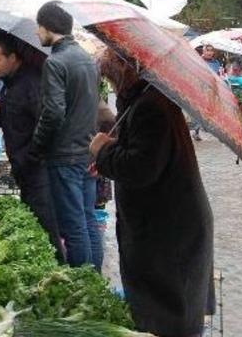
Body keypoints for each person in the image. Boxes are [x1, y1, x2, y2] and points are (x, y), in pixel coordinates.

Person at [89, 47, 214, 337]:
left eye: (111, 78)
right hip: (162, 225)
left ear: (126, 69)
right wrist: (110, 153)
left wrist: (103, 151)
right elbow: (141, 153)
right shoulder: (142, 99)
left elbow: (140, 168)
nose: (111, 85)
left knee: (168, 317)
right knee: (159, 309)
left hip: (170, 231)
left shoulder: (151, 106)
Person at [30, 1, 101, 270]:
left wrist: (37, 146)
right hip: (86, 152)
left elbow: (54, 112)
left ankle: (83, 284)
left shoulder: (55, 62)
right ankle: (95, 281)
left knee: (73, 226)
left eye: (38, 27)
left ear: (48, 27)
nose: (37, 32)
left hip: (65, 155)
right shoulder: (87, 59)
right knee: (88, 219)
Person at [0, 35, 64, 262]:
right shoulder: (9, 85)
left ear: (13, 58)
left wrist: (31, 157)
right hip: (23, 167)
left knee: (46, 231)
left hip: (38, 169)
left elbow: (46, 124)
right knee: (35, 226)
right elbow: (16, 122)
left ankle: (59, 270)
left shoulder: (32, 84)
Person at [193, 44, 222, 141]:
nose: (210, 52)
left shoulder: (216, 62)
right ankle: (196, 130)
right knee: (200, 110)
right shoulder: (198, 60)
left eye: (211, 50)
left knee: (211, 109)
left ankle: (208, 128)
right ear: (203, 51)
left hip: (212, 89)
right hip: (200, 88)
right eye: (207, 50)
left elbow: (217, 76)